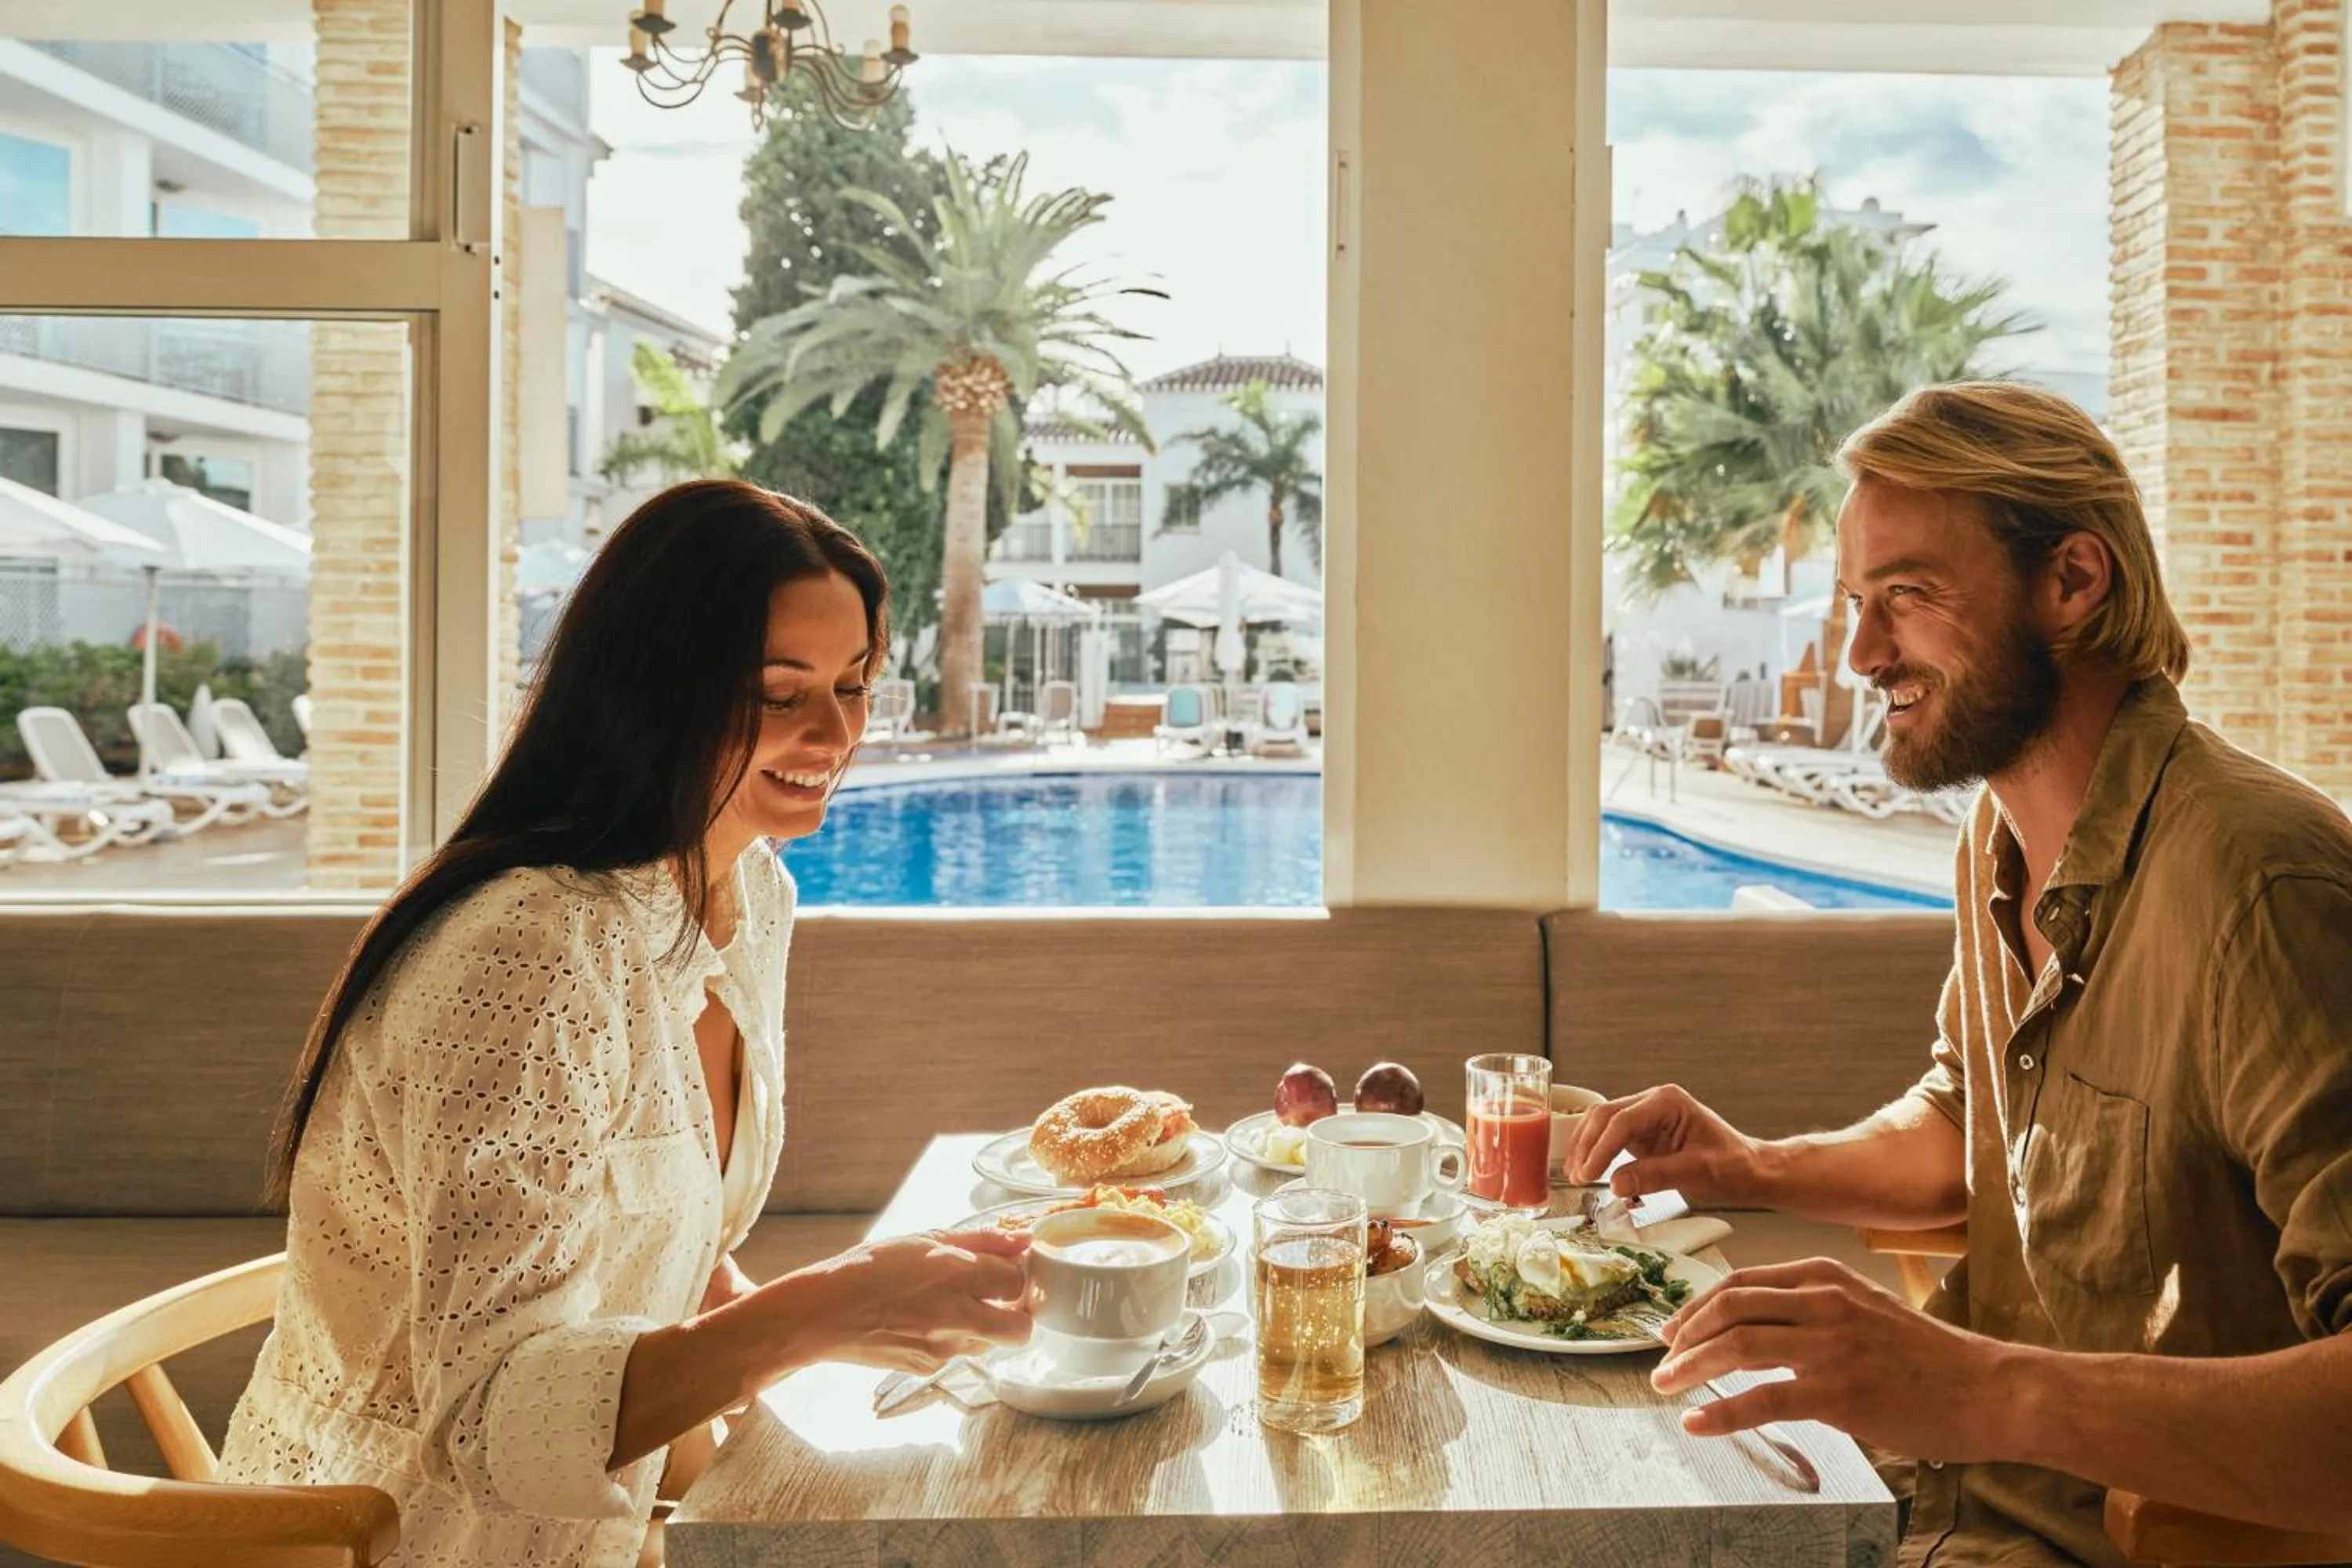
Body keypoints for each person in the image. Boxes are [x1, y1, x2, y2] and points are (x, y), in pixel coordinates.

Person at [1569, 383, 2352, 1565]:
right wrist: (1748, 1166)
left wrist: (1978, 1389)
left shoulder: (2262, 885)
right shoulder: (1997, 840)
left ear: (2073, 582)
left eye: (1908, 596)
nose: (1861, 654)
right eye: (1855, 602)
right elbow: (1966, 1127)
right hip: (1926, 1502)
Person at [218, 481, 1033, 1566]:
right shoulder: (529, 949)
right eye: (776, 692)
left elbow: (658, 1248)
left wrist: (881, 1311)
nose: (836, 733)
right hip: (394, 1540)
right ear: (653, 691)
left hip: (593, 1532)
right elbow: (488, 1425)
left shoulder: (747, 895)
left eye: (852, 684)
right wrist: (827, 1311)